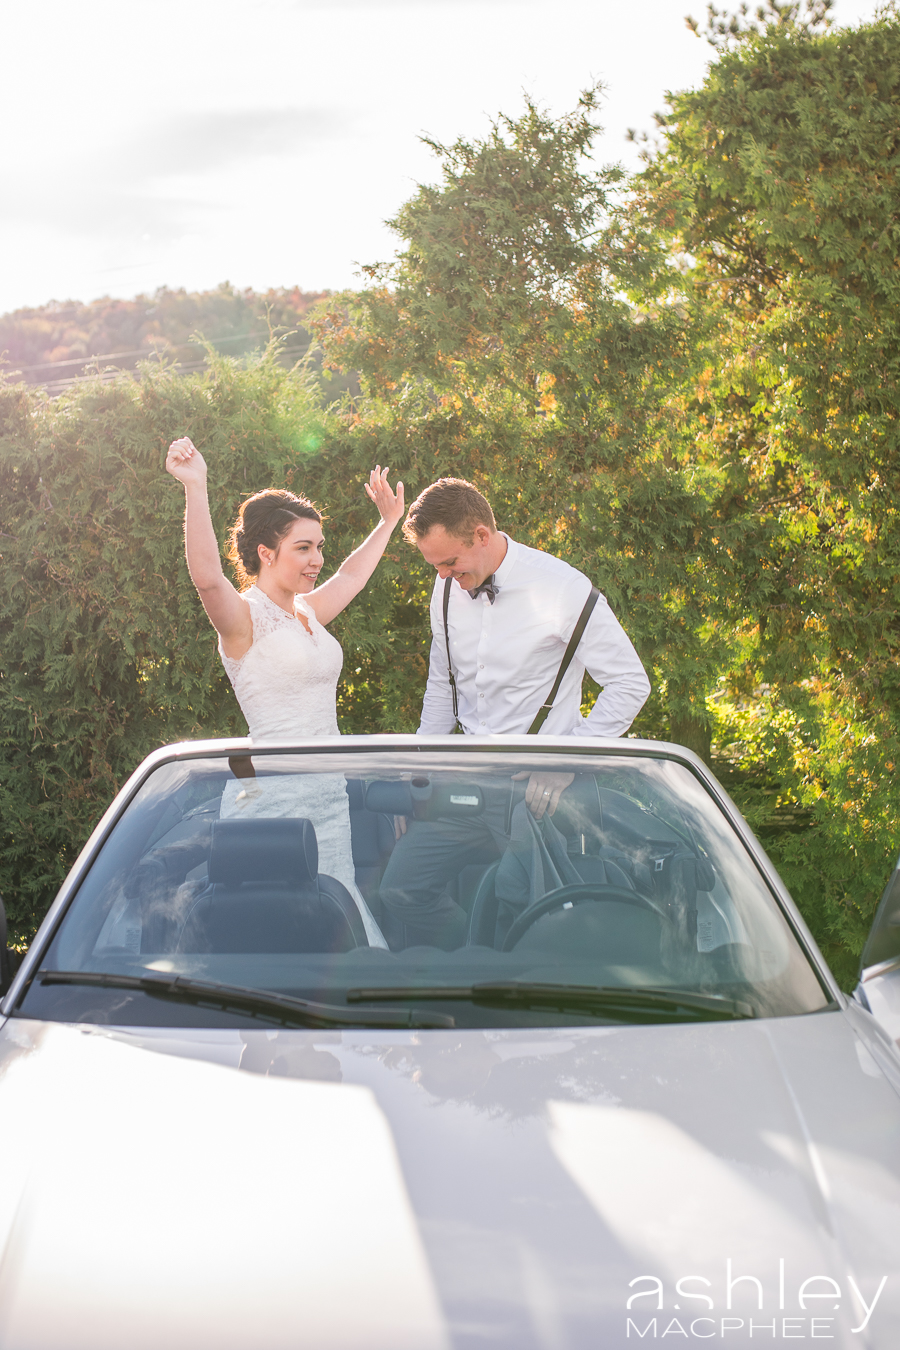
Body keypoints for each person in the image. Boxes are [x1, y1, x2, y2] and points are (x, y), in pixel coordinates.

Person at [379, 476, 650, 947]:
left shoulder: (563, 587)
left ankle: (513, 976)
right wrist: (419, 771)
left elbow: (630, 684)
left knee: (527, 905)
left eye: (449, 562)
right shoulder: (444, 590)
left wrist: (564, 760)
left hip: (538, 794)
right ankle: (478, 956)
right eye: (434, 565)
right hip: (465, 784)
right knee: (401, 889)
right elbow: (441, 688)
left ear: (481, 535)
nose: (442, 576)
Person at [165, 435, 405, 946]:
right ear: (265, 552)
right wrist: (196, 487)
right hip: (271, 804)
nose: (316, 558)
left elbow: (352, 575)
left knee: (342, 936)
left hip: (329, 799)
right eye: (303, 547)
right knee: (276, 938)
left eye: (318, 546)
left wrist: (388, 523)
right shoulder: (243, 619)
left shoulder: (308, 612)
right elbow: (208, 578)